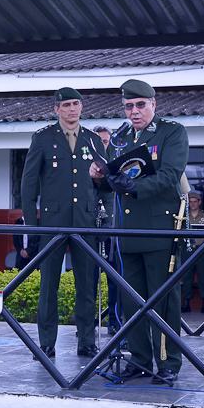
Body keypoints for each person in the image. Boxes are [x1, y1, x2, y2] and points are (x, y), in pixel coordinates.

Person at [90, 79, 189, 385]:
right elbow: (117, 179)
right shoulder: (120, 137)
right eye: (129, 106)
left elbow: (170, 175)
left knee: (163, 299)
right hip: (127, 231)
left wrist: (133, 186)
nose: (134, 111)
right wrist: (99, 178)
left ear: (153, 104)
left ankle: (168, 362)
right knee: (131, 300)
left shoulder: (171, 132)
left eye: (140, 105)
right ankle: (140, 359)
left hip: (160, 228)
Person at [21, 87, 107, 359]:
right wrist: (32, 227)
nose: (72, 109)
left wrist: (106, 219)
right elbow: (28, 185)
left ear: (82, 107)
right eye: (66, 105)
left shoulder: (94, 140)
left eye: (76, 104)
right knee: (49, 284)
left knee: (86, 283)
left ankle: (86, 340)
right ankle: (46, 341)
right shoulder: (43, 138)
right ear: (56, 109)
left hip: (85, 220)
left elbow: (105, 183)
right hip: (52, 220)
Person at [93, 125, 120, 335]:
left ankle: (114, 320)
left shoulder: (116, 164)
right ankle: (87, 323)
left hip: (113, 230)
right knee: (88, 279)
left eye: (107, 141)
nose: (105, 144)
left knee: (116, 280)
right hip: (90, 229)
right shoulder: (85, 164)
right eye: (101, 141)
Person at [182, 192, 204, 314]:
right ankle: (186, 303)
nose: (193, 204)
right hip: (187, 249)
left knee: (203, 276)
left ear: (199, 202)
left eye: (195, 201)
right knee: (186, 276)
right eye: (191, 201)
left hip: (201, 249)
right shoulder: (184, 216)